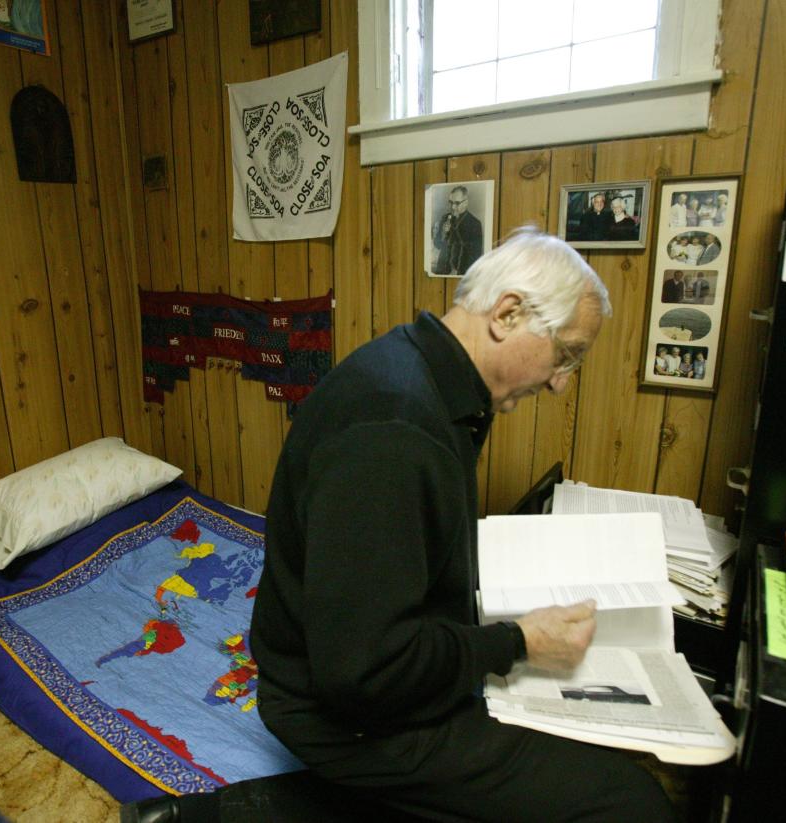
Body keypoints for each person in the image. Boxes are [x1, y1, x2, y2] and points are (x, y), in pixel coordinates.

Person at [249, 227, 674, 822]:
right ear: (507, 313)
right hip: (338, 716)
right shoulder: (394, 428)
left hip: (375, 670)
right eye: (567, 354)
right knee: (633, 803)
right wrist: (518, 643)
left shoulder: (433, 377)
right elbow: (364, 671)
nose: (560, 382)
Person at [432, 187, 484, 276]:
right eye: (451, 202)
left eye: (457, 203)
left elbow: (476, 256)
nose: (453, 207)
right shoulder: (445, 218)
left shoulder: (474, 223)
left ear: (466, 203)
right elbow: (437, 244)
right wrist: (443, 233)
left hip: (462, 273)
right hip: (442, 271)